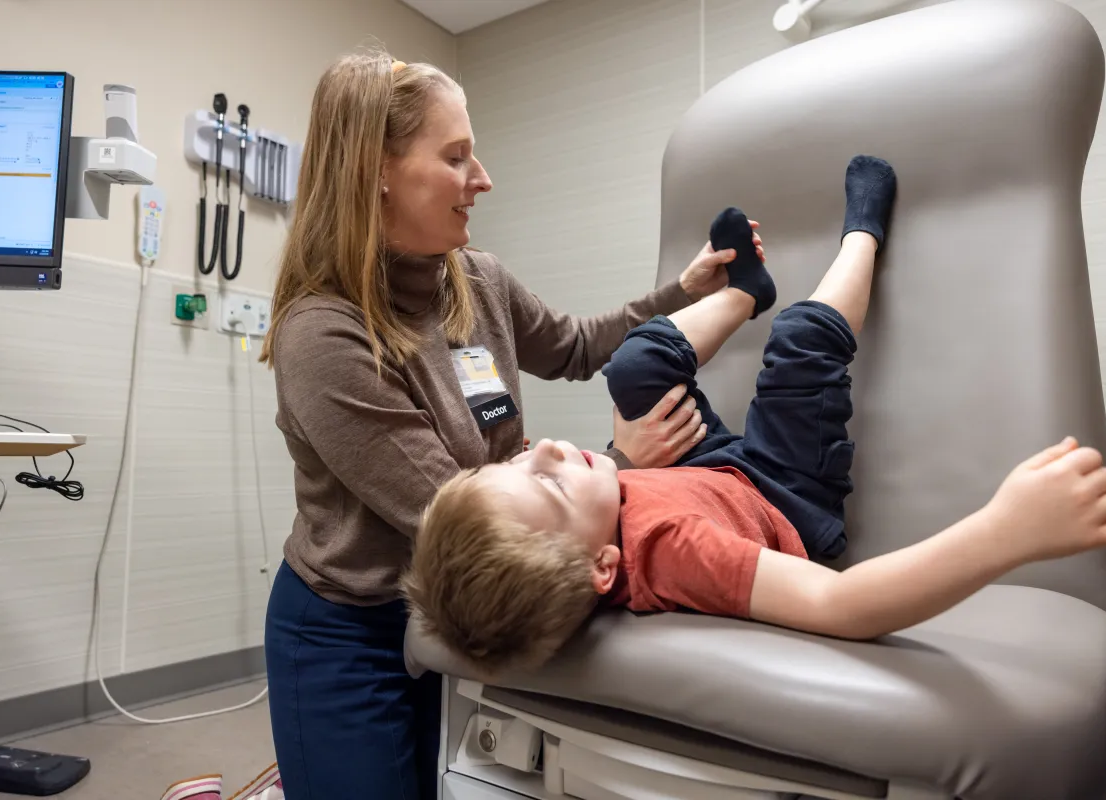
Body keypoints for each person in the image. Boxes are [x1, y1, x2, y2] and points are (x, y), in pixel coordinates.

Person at [257, 51, 767, 800]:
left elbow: (577, 345)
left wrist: (682, 291)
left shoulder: (476, 278)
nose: (483, 177)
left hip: (455, 607)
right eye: (457, 156)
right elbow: (453, 509)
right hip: (348, 627)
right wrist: (616, 464)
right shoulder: (325, 338)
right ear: (379, 171)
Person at [403, 155, 1106, 676]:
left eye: (523, 457)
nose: (553, 448)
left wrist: (608, 471)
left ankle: (745, 292)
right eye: (551, 481)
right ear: (604, 568)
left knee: (632, 366)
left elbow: (577, 453)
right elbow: (843, 603)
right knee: (799, 346)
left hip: (698, 469)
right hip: (780, 493)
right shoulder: (677, 550)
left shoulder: (583, 534)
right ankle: (864, 238)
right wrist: (1007, 532)